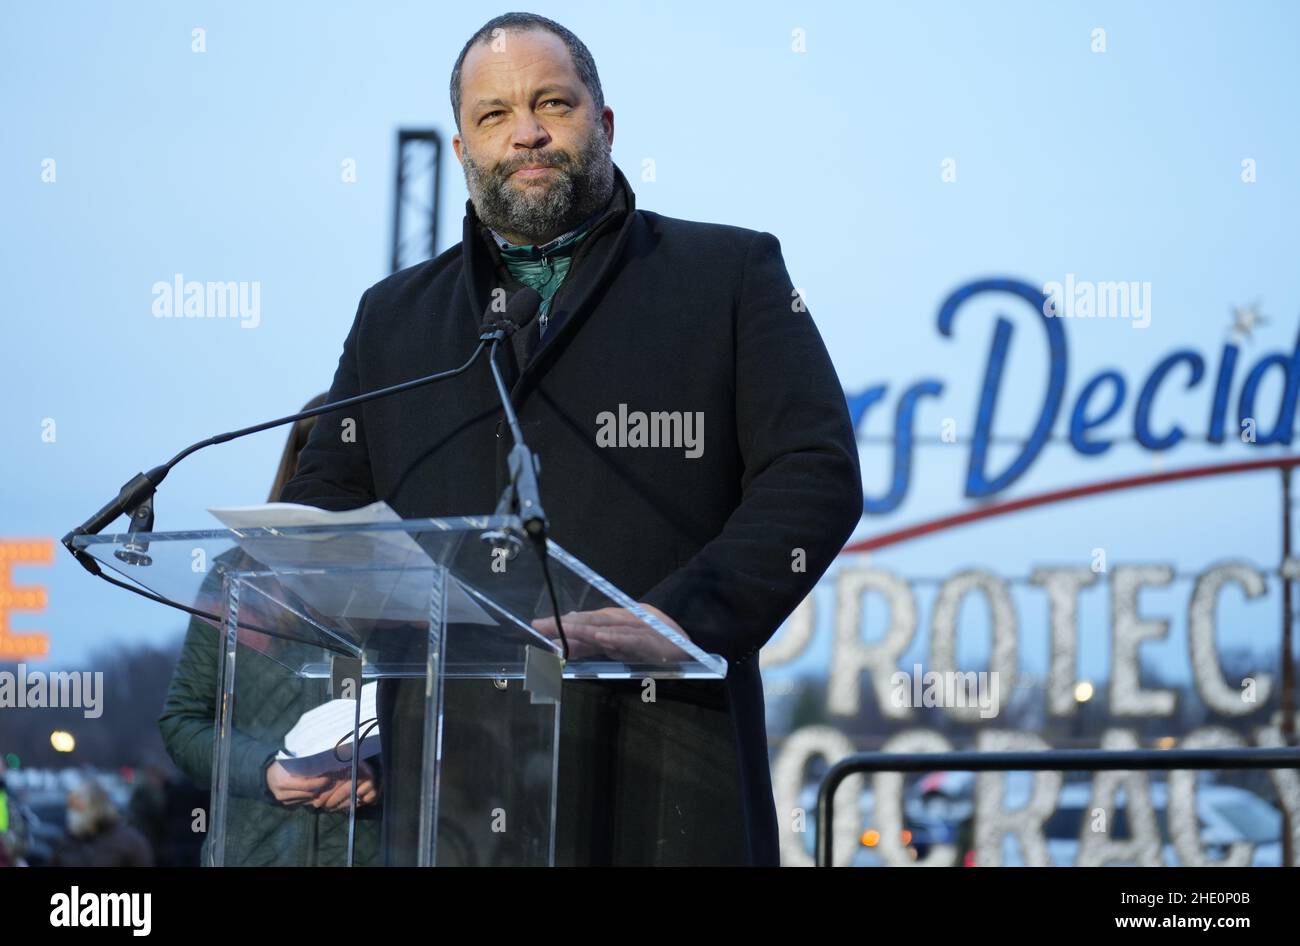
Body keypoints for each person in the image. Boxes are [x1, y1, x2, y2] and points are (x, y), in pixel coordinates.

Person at [280, 13, 862, 865]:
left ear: (606, 122)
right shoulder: (392, 316)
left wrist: (678, 619)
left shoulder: (729, 275)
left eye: (553, 102)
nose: (526, 131)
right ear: (462, 150)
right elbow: (322, 505)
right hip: (449, 793)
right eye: (494, 114)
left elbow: (814, 474)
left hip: (666, 771)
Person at [158, 394, 382, 866]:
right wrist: (265, 771)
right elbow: (183, 723)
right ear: (299, 464)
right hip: (253, 853)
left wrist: (380, 774)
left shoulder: (407, 583)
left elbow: (443, 726)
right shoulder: (235, 577)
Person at [52, 778, 153, 867]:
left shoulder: (130, 842)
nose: (73, 814)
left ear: (98, 806)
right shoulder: (66, 842)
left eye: (78, 806)